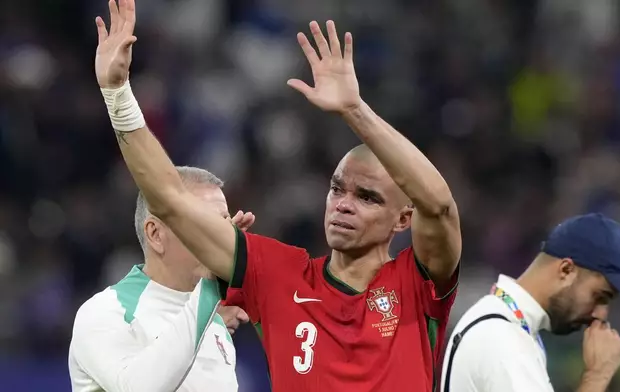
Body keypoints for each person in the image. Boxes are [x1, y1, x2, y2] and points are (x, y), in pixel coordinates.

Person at [92, 0, 461, 390]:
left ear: (403, 219)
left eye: (367, 197)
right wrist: (117, 94)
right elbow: (168, 198)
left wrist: (355, 111)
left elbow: (438, 205)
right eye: (337, 189)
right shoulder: (278, 274)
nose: (343, 204)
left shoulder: (417, 283)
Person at [68, 166, 254, 392]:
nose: (221, 237)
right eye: (205, 223)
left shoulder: (213, 326)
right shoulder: (106, 311)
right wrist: (210, 286)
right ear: (156, 234)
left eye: (224, 224)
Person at [441, 213, 620, 392]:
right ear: (566, 270)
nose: (600, 314)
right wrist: (598, 375)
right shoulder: (501, 337)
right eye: (599, 296)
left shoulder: (510, 326)